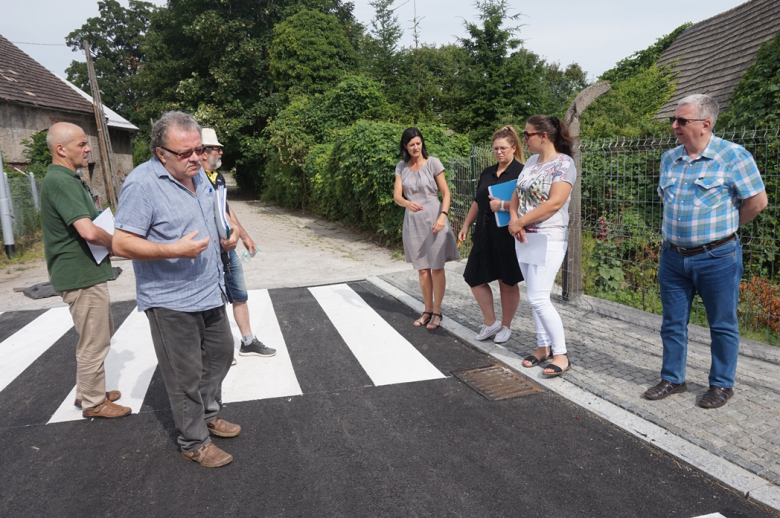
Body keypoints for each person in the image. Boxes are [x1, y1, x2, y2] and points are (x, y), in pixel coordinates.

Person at [113, 111, 241, 467]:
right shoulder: (142, 185)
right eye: (185, 153)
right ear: (160, 152)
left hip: (209, 289)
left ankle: (209, 413)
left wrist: (225, 239)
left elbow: (208, 221)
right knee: (184, 375)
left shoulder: (200, 177)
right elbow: (121, 243)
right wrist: (172, 250)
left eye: (198, 150)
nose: (196, 158)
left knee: (220, 354)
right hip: (171, 300)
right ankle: (194, 441)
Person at [643, 94, 767, 409]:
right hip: (673, 256)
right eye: (675, 120)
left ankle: (721, 385)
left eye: (681, 121)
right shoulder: (669, 159)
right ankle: (673, 378)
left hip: (717, 258)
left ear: (705, 124)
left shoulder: (734, 156)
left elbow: (757, 202)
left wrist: (724, 229)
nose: (674, 126)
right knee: (672, 322)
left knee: (722, 323)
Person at [39, 122, 131, 419]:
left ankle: (87, 390)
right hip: (80, 274)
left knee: (97, 334)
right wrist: (116, 244)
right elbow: (88, 231)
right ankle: (93, 402)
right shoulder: (63, 182)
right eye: (81, 144)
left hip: (83, 272)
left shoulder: (66, 179)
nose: (88, 148)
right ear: (61, 149)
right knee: (94, 339)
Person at [200, 128, 276, 364]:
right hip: (210, 249)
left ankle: (247, 341)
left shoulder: (218, 177)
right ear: (202, 153)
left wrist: (244, 236)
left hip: (229, 247)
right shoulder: (194, 180)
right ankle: (216, 350)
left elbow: (226, 209)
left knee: (239, 294)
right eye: (215, 148)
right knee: (214, 299)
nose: (220, 151)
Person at [509, 115, 576, 377]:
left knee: (539, 297)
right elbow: (516, 194)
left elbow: (555, 202)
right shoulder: (533, 163)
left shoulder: (564, 163)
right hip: (525, 236)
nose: (523, 139)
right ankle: (542, 347)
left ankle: (561, 354)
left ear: (543, 136)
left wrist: (520, 222)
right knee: (533, 297)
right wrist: (515, 221)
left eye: (527, 135)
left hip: (549, 237)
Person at [458, 126, 525, 343]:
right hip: (484, 231)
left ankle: (506, 326)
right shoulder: (487, 172)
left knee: (507, 281)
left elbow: (527, 205)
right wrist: (466, 224)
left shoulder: (522, 172)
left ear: (513, 148)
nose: (499, 152)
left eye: (503, 148)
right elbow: (478, 201)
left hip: (508, 234)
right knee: (473, 276)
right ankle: (491, 323)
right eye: (495, 148)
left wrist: (503, 206)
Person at [393, 127, 459, 330]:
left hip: (434, 219)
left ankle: (438, 311)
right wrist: (406, 203)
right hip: (413, 222)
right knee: (422, 269)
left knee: (437, 267)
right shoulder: (401, 167)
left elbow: (445, 193)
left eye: (418, 143)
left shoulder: (433, 163)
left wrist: (443, 216)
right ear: (405, 146)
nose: (415, 147)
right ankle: (427, 310)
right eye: (411, 144)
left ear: (422, 143)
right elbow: (397, 196)